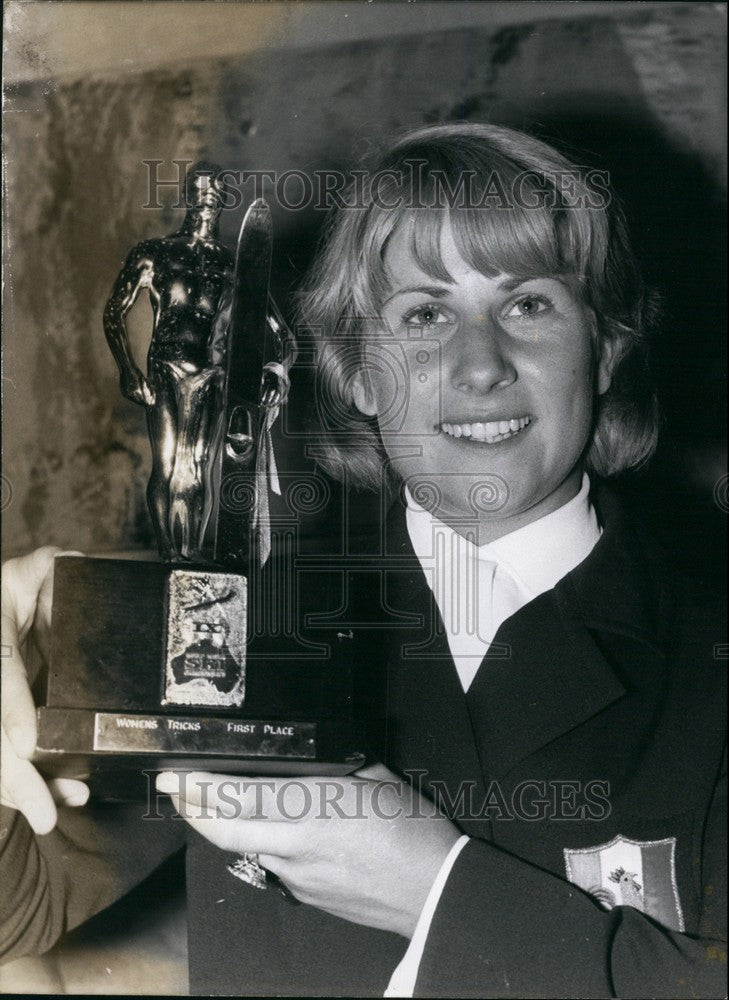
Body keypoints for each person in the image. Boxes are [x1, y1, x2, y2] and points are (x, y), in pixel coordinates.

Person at [1, 123, 725, 998]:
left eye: (527, 304)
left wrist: (434, 892)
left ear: (605, 347)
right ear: (356, 375)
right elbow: (22, 911)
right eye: (424, 314)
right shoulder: (245, 624)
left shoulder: (705, 647)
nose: (479, 364)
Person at [103, 161, 234, 561]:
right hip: (165, 366)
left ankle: (191, 557)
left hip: (209, 374)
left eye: (216, 186)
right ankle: (168, 557)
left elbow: (275, 329)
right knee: (166, 464)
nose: (208, 192)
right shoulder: (157, 253)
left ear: (225, 198)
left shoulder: (231, 264)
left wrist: (276, 368)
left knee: (198, 465)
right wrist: (128, 370)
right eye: (200, 185)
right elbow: (114, 312)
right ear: (187, 193)